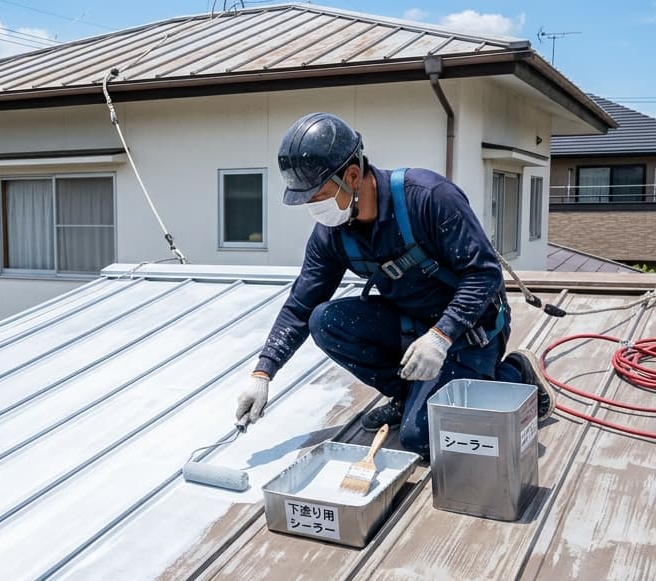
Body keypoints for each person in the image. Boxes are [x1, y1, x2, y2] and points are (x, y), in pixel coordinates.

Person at [234, 112, 554, 457]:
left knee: (422, 440)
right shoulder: (332, 234)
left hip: (469, 330)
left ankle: (513, 375)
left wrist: (441, 335)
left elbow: (484, 274)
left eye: (316, 195)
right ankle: (409, 396)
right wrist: (263, 372)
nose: (313, 207)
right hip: (411, 327)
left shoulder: (428, 197)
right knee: (325, 320)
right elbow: (301, 306)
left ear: (352, 176)